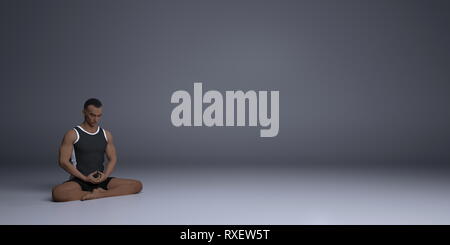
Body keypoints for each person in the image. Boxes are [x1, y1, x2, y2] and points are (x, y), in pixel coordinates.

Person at [52, 98, 143, 202]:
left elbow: (113, 158)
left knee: (137, 185)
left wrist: (105, 176)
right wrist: (85, 178)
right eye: (92, 115)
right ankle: (99, 193)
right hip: (80, 180)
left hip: (100, 179)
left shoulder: (106, 134)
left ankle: (98, 195)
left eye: (99, 116)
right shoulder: (72, 134)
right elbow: (63, 161)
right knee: (58, 193)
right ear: (84, 112)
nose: (95, 119)